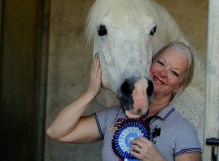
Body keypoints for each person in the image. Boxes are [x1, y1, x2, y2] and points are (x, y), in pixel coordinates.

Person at [47, 41, 202, 161]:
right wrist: (91, 92)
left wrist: (158, 159)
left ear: (179, 87)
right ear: (148, 63)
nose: (162, 73)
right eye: (160, 63)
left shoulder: (183, 129)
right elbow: (57, 131)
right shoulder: (113, 116)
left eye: (174, 72)